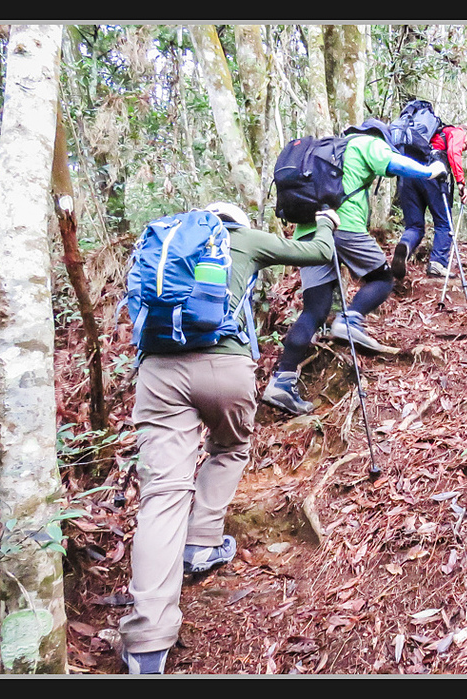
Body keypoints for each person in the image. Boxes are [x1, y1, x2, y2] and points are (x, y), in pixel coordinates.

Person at [117, 202, 338, 674]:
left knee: (162, 495)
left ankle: (147, 644)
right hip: (226, 366)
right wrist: (327, 221)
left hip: (158, 372)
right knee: (230, 446)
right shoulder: (246, 239)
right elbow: (318, 251)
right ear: (233, 222)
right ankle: (202, 542)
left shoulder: (162, 245)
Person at [261, 118, 447, 416]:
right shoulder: (365, 144)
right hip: (343, 226)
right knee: (382, 278)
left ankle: (282, 381)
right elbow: (396, 164)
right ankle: (350, 320)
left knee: (315, 310)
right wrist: (430, 170)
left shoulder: (330, 149)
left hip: (308, 233)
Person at [391, 123, 467, 280]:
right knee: (444, 223)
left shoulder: (431, 135)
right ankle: (437, 264)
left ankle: (404, 246)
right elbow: (453, 152)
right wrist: (461, 182)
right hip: (432, 173)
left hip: (409, 174)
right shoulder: (456, 132)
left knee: (414, 226)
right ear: (466, 131)